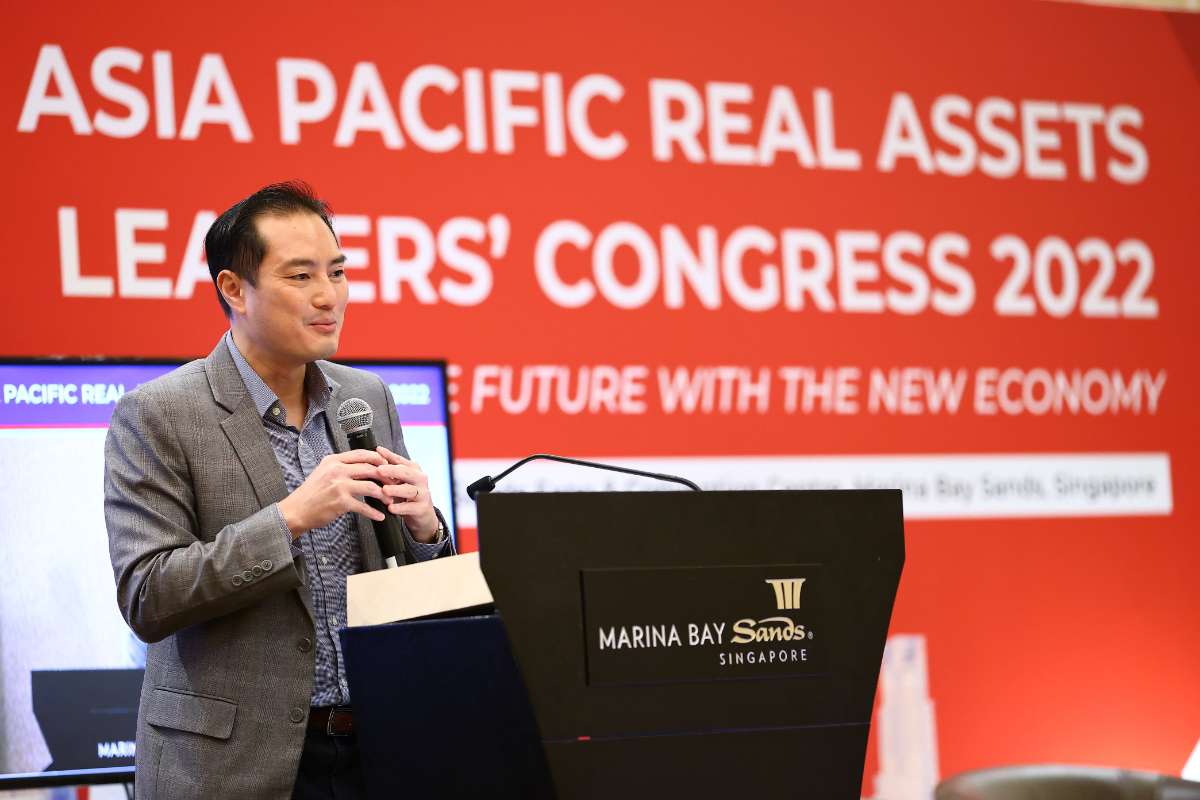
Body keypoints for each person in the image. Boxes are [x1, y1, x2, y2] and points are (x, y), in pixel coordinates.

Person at [104, 181, 452, 800]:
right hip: (232, 765)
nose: (328, 296)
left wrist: (426, 531)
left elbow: (403, 580)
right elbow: (148, 595)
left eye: (337, 272)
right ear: (234, 289)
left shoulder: (365, 397)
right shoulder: (158, 414)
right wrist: (288, 518)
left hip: (377, 750)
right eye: (300, 276)